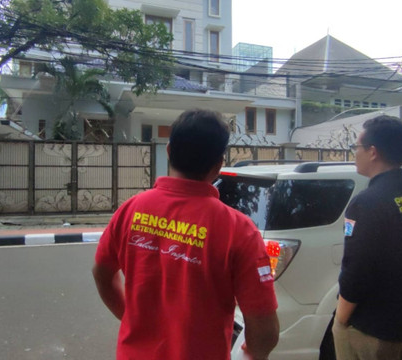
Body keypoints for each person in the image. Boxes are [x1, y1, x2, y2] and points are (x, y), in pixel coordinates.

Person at [92, 109, 279, 360]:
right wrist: (253, 353)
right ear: (218, 164)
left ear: (169, 151)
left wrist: (132, 317)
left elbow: (102, 274)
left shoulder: (131, 209)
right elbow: (263, 326)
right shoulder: (239, 230)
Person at [333, 115, 402, 360]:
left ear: (373, 152)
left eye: (356, 147)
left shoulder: (367, 203)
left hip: (374, 331)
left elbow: (356, 271)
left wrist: (340, 320)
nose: (354, 154)